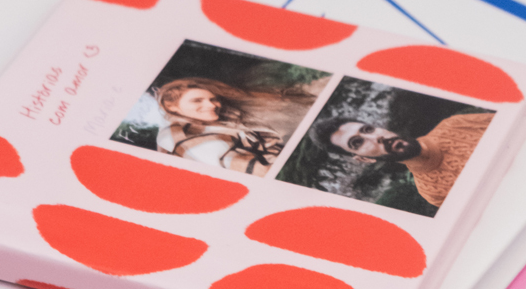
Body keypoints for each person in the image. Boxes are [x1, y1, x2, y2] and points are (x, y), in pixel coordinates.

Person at [308, 110, 494, 207]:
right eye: (357, 142)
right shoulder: (432, 192)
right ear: (364, 159)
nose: (376, 137)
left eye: (368, 129)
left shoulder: (455, 125)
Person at [154, 76, 324, 176]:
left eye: (213, 99)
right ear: (171, 107)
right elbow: (261, 172)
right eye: (197, 101)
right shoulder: (180, 135)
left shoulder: (218, 123)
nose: (212, 105)